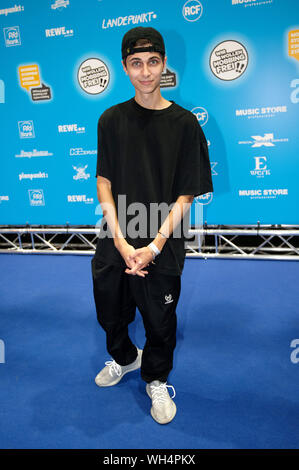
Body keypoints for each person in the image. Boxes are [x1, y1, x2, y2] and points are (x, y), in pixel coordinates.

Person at [91, 26, 213, 425]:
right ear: (125, 68)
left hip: (163, 240)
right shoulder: (110, 119)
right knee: (110, 311)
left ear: (164, 65)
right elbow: (104, 180)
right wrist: (122, 241)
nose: (145, 72)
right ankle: (124, 357)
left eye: (153, 62)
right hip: (116, 236)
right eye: (136, 63)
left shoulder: (184, 124)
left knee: (160, 321)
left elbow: (186, 195)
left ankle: (156, 377)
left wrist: (155, 245)